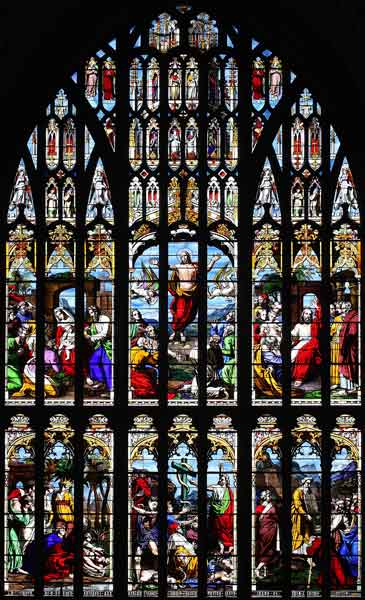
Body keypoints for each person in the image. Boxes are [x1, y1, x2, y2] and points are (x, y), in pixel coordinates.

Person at [168, 249, 220, 342]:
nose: (185, 257)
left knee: (189, 315)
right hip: (182, 294)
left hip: (193, 294)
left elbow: (207, 269)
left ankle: (181, 332)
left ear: (189, 256)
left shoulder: (195, 267)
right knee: (179, 315)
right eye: (183, 256)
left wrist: (213, 260)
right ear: (180, 258)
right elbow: (167, 266)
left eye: (186, 255)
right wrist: (157, 264)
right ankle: (175, 331)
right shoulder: (178, 266)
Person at [291, 302, 322, 387]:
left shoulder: (313, 324)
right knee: (291, 355)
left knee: (304, 355)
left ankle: (299, 378)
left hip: (311, 344)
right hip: (300, 343)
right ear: (302, 315)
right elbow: (292, 335)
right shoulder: (298, 326)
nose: (308, 316)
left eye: (309, 314)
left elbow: (320, 319)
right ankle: (292, 376)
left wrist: (317, 309)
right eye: (306, 313)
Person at [84, 305, 112, 391]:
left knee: (107, 366)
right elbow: (91, 332)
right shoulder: (93, 322)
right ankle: (101, 381)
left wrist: (91, 337)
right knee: (93, 362)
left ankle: (111, 388)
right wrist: (86, 331)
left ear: (97, 310)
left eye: (94, 311)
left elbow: (104, 334)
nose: (93, 314)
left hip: (107, 346)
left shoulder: (104, 318)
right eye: (91, 313)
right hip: (99, 346)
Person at [255, 489, 279, 579]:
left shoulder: (261, 508)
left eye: (269, 495)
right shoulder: (269, 507)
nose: (270, 497)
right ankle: (259, 568)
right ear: (265, 497)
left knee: (266, 549)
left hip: (266, 531)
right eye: (268, 495)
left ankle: (261, 569)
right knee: (267, 549)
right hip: (268, 531)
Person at [207, 473, 234, 554]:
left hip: (226, 515)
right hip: (218, 514)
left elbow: (232, 504)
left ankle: (230, 546)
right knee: (219, 531)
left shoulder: (229, 491)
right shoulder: (216, 487)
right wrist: (195, 483)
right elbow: (207, 487)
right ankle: (221, 547)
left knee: (227, 531)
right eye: (220, 479)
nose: (220, 480)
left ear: (226, 481)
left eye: (222, 479)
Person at [338, 302, 358, 395]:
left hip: (351, 346)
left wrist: (346, 343)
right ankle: (346, 387)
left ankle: (353, 388)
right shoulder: (348, 316)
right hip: (346, 345)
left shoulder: (354, 317)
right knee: (346, 365)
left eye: (343, 308)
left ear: (349, 307)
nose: (341, 310)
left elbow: (352, 333)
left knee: (350, 366)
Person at [291, 478, 313, 553]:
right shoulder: (297, 492)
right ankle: (296, 551)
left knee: (306, 531)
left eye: (310, 484)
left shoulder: (303, 493)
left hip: (302, 516)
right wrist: (306, 515)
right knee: (298, 533)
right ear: (303, 483)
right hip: (297, 516)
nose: (309, 485)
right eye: (307, 483)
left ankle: (305, 551)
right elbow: (298, 506)